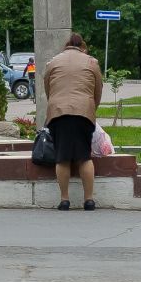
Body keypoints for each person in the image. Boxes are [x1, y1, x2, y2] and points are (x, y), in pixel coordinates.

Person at [43, 32, 105, 211]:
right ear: (82, 47)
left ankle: (64, 200)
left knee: (62, 158)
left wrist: (56, 105)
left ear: (66, 46)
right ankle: (89, 200)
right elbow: (97, 90)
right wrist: (91, 108)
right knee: (84, 157)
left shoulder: (53, 62)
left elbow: (48, 89)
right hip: (84, 112)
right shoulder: (91, 62)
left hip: (58, 113)